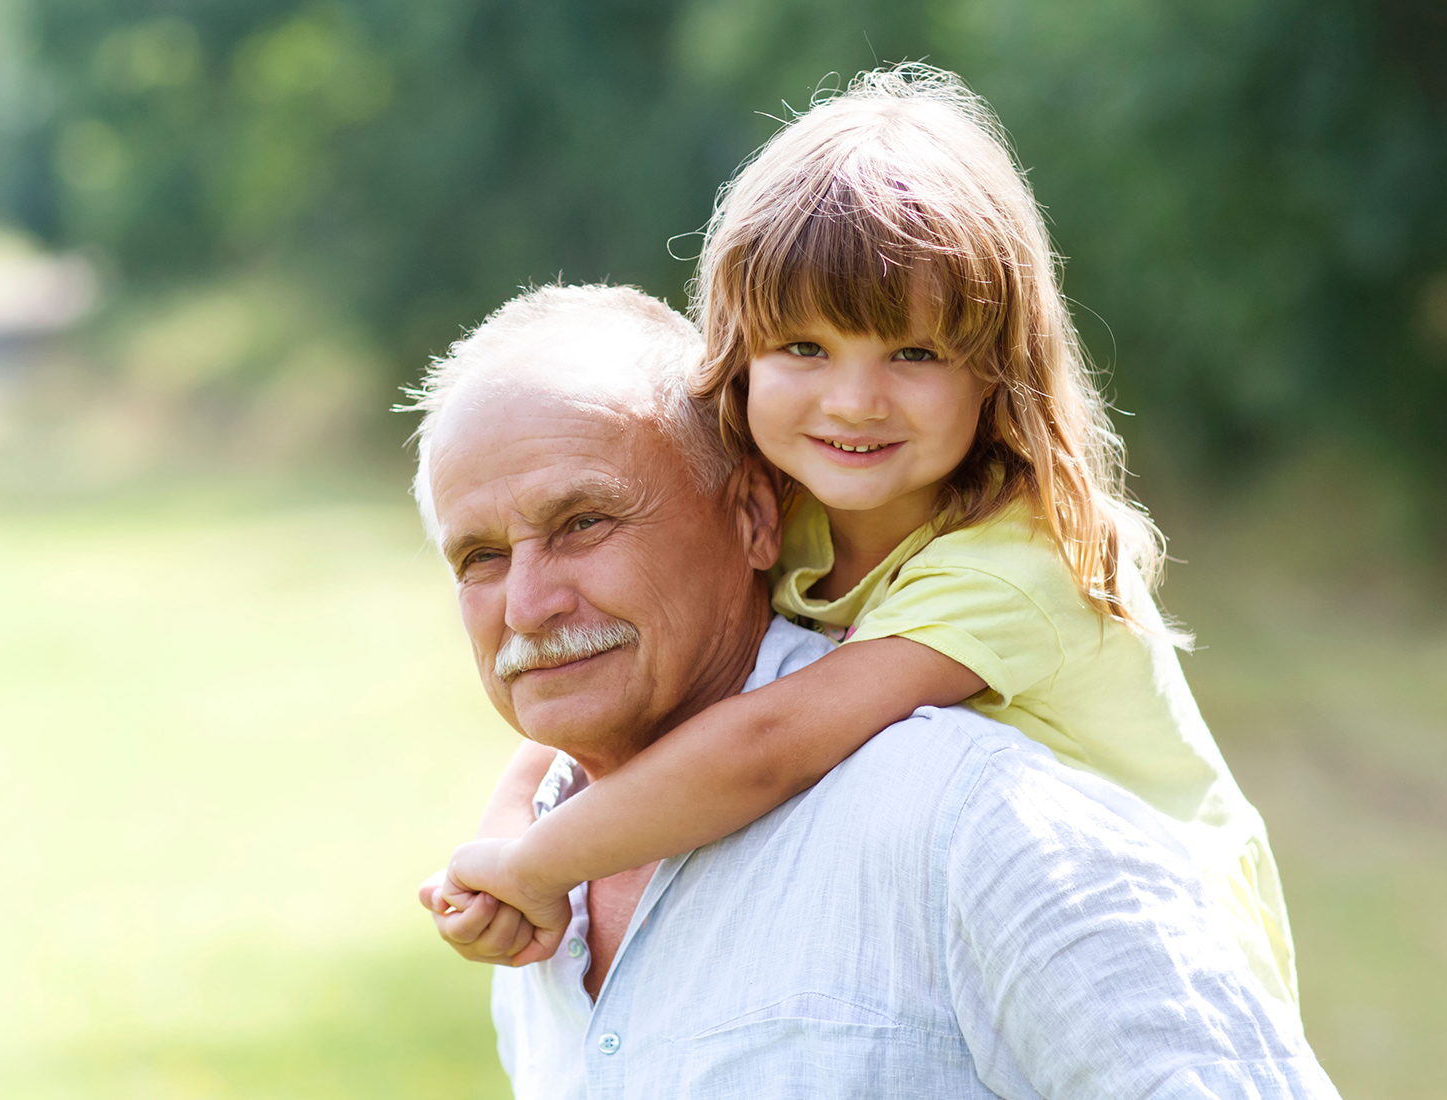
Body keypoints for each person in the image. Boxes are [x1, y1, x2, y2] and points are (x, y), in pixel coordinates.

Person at [439, 65, 1300, 1009]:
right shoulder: (799, 506)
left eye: (915, 353)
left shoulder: (1012, 561)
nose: (854, 401)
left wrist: (537, 865)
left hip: (1149, 966)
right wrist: (510, 829)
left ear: (995, 374)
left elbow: (771, 742)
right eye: (804, 348)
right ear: (741, 354)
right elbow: (582, 663)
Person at [409, 283, 1339, 1097]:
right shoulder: (540, 906)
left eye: (583, 523)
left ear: (754, 517)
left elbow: (764, 743)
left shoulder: (972, 821)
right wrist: (506, 844)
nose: (528, 604)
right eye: (481, 557)